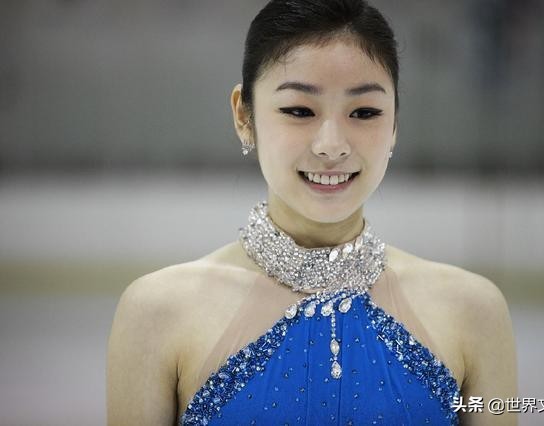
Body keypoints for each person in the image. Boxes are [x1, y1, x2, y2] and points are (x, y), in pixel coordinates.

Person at [106, 0, 517, 425]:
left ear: (394, 122)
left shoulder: (473, 312)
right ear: (244, 115)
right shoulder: (158, 313)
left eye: (364, 112)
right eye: (299, 111)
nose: (331, 145)